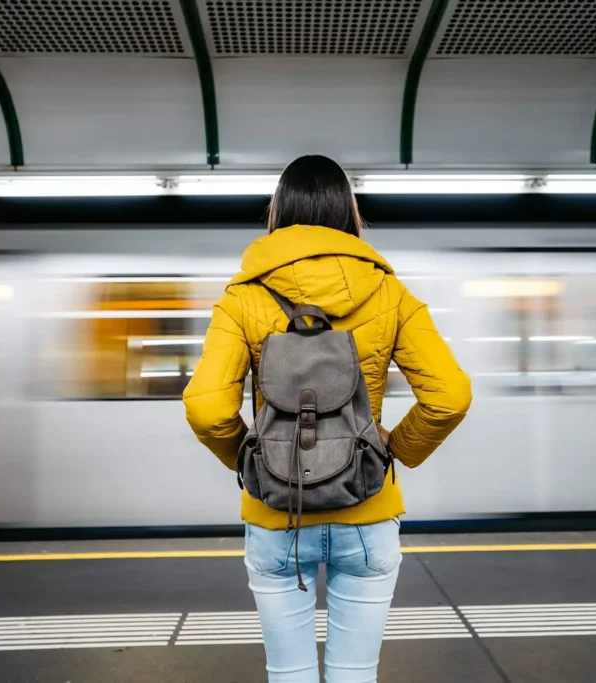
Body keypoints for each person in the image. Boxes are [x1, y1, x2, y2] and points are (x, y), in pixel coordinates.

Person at [182, 155, 472, 683]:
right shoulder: (390, 293)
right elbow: (449, 395)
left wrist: (249, 461)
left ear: (277, 211)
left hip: (275, 510)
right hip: (367, 506)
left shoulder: (242, 298)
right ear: (350, 213)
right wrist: (395, 447)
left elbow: (206, 406)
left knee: (288, 675)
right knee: (354, 675)